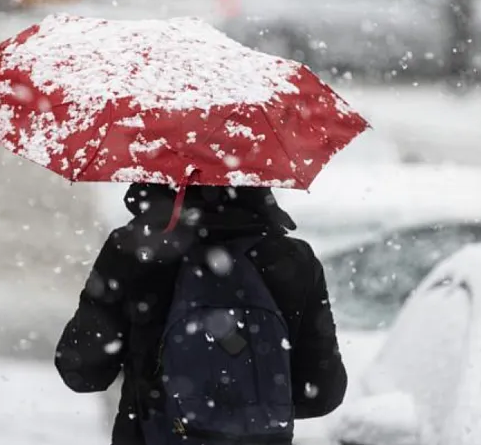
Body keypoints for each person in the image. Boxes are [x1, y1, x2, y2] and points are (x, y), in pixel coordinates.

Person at [55, 183, 348, 445]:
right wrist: (245, 403)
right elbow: (322, 393)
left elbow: (83, 372)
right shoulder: (294, 260)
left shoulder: (135, 250)